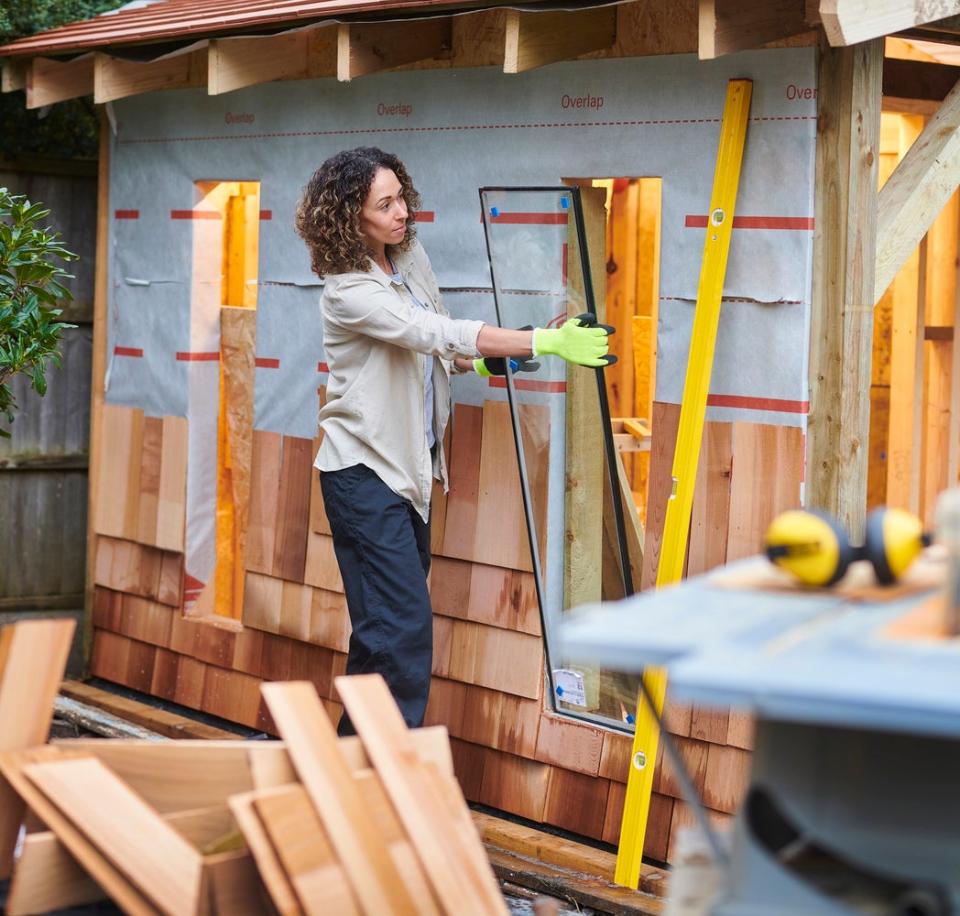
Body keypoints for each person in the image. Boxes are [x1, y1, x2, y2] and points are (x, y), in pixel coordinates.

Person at [295, 147, 613, 734]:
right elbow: (429, 331)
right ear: (348, 217)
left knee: (381, 638)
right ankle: (390, 784)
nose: (401, 214)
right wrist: (539, 343)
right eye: (383, 204)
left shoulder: (407, 259)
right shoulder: (348, 292)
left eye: (401, 198)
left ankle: (348, 776)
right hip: (364, 476)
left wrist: (488, 364)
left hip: (406, 478)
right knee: (403, 637)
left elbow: (436, 349)